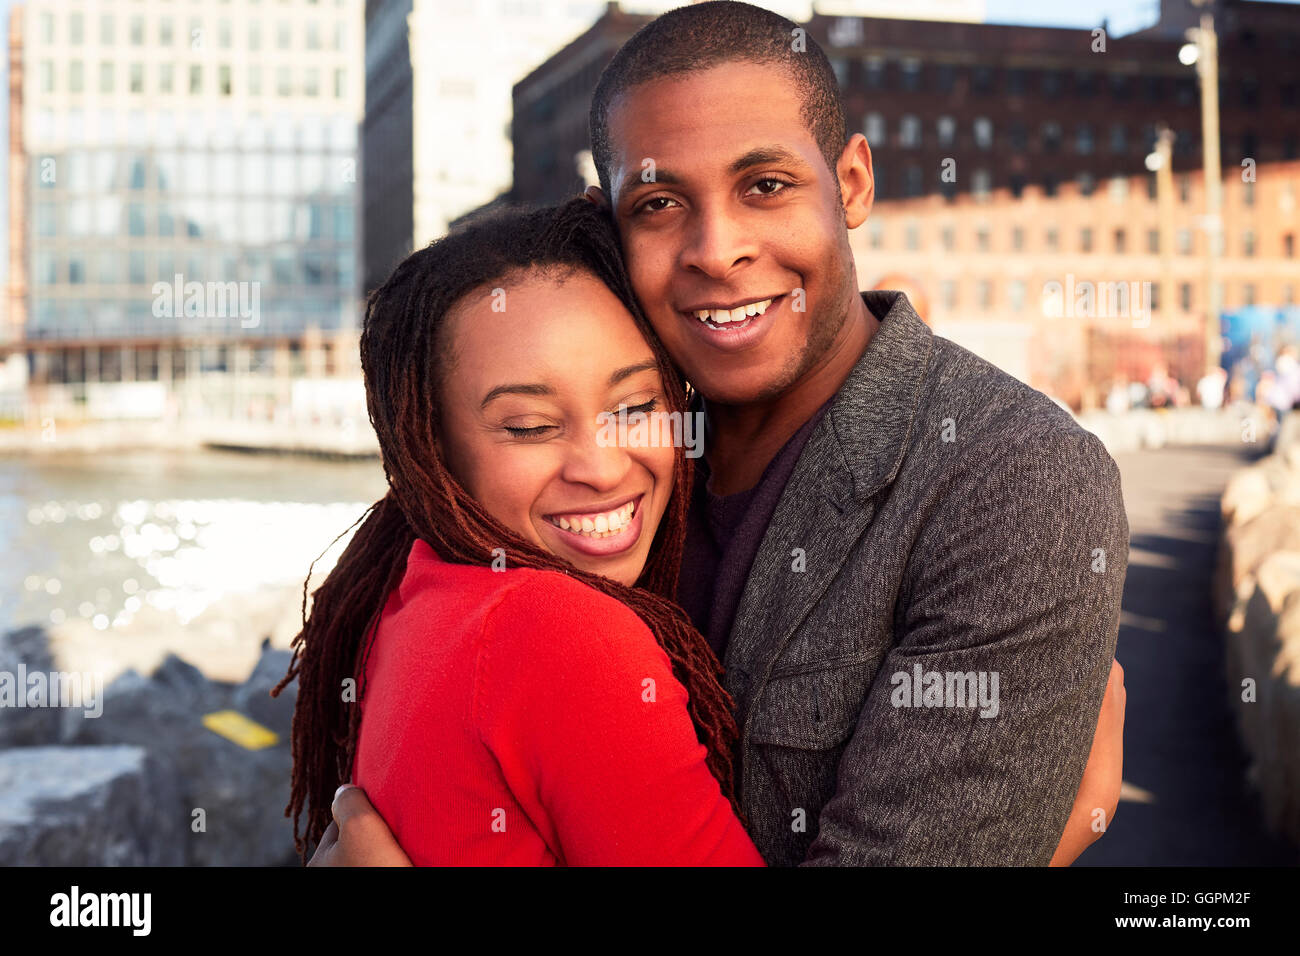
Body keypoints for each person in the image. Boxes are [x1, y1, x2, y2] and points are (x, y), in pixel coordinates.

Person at [303, 1, 1128, 866]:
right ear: (610, 227)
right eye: (660, 203)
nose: (717, 249)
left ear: (850, 185)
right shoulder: (613, 462)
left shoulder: (1013, 482)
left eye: (765, 186)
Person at [277, 199, 764, 865]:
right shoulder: (564, 634)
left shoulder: (410, 587)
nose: (600, 467)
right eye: (531, 426)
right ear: (434, 451)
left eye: (636, 406)